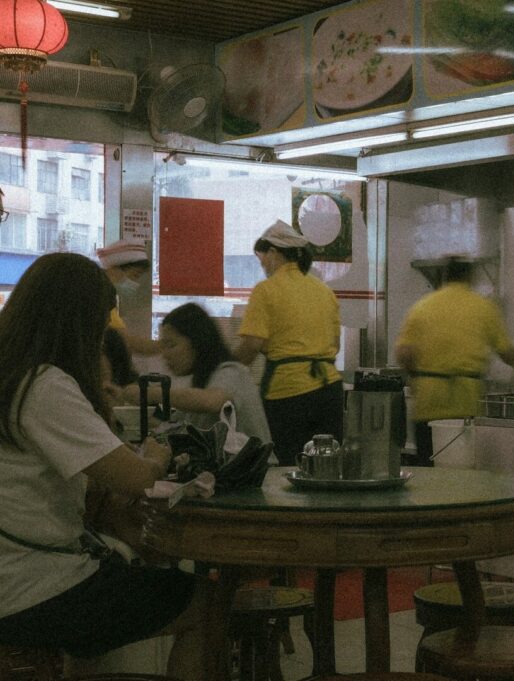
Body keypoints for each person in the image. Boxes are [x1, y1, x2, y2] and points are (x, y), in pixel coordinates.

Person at [0, 252, 211, 678]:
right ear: (79, 320)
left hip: (14, 574)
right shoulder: (44, 385)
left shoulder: (12, 375)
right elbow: (135, 479)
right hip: (34, 585)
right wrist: (157, 453)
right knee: (204, 605)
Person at [396, 256, 514, 466]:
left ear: (444, 277)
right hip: (465, 400)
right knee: (463, 468)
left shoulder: (422, 306)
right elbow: (506, 351)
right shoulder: (483, 307)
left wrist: (413, 376)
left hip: (428, 400)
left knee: (428, 467)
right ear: (469, 277)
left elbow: (404, 352)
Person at [235, 220, 343, 466]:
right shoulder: (324, 291)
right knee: (326, 466)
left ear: (273, 253)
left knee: (289, 464)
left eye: (261, 257)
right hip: (330, 391)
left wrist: (226, 372)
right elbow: (334, 344)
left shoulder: (266, 290)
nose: (261, 264)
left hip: (288, 392)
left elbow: (251, 344)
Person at [117, 302, 271, 444]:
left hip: (254, 471)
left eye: (171, 345)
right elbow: (179, 426)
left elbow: (211, 402)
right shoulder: (201, 381)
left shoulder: (231, 371)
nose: (164, 354)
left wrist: (149, 393)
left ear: (197, 341)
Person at [97, 239, 160, 356]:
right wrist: (168, 344)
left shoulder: (106, 297)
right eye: (134, 275)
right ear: (114, 269)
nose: (134, 283)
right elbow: (125, 341)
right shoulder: (99, 297)